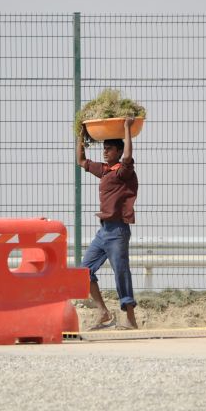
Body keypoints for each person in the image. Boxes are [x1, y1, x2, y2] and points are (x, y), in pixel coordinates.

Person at [76, 117, 138, 330]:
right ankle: (103, 312)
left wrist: (127, 128)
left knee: (121, 271)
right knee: (84, 270)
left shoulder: (123, 171)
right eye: (104, 148)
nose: (105, 151)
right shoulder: (104, 170)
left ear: (118, 152)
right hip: (103, 232)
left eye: (110, 148)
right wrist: (80, 134)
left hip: (118, 230)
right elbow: (81, 161)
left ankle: (130, 318)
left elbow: (129, 156)